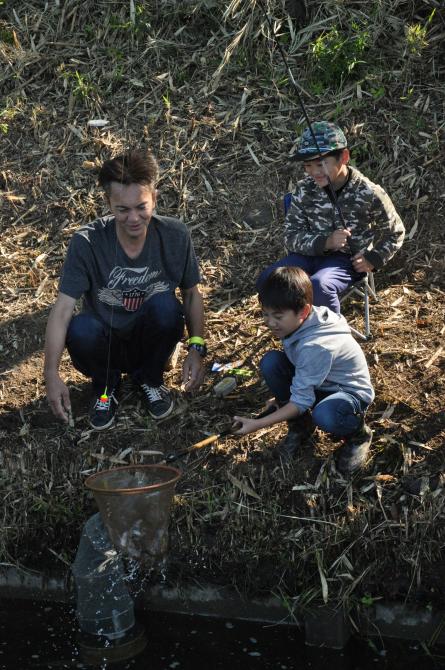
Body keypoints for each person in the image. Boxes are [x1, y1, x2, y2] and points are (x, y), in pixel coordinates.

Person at [44, 148, 206, 430]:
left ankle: (150, 379)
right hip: (104, 341)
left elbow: (191, 294)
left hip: (151, 339)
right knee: (80, 327)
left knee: (167, 307)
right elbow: (62, 310)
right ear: (109, 203)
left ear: (154, 199)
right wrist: (51, 374)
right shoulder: (87, 242)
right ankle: (105, 388)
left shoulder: (175, 235)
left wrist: (196, 348)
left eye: (141, 206)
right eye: (123, 209)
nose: (133, 217)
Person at [234, 267, 375, 474]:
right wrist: (283, 401)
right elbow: (302, 370)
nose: (270, 322)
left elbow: (301, 400)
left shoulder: (316, 345)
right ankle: (301, 426)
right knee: (271, 362)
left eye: (278, 316)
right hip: (321, 380)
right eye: (265, 314)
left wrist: (257, 423)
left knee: (326, 415)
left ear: (304, 311)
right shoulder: (299, 322)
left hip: (346, 392)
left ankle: (358, 435)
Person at [256, 121, 405, 314]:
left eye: (320, 164)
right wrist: (326, 242)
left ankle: (329, 339)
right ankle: (294, 335)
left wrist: (373, 258)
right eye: (308, 165)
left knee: (320, 285)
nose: (314, 172)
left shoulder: (369, 192)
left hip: (345, 262)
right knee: (267, 279)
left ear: (343, 157)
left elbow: (396, 232)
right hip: (305, 257)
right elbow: (291, 236)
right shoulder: (304, 189)